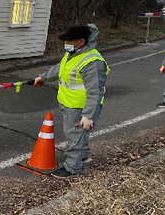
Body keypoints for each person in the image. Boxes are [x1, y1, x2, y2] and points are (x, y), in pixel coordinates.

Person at [33, 24, 109, 179]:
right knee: (80, 134)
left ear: (81, 42)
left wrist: (88, 115)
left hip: (80, 106)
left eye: (68, 41)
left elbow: (95, 91)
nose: (65, 44)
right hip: (68, 102)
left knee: (74, 136)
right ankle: (84, 156)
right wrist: (43, 77)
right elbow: (60, 68)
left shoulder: (92, 62)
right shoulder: (74, 54)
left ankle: (72, 167)